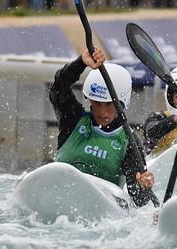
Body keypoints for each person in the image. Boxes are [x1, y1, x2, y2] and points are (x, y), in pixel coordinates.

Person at [49, 47, 155, 207]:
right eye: (97, 103)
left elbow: (138, 200)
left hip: (99, 212)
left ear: (122, 103)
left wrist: (143, 186)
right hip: (59, 200)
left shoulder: (129, 143)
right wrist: (80, 63)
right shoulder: (73, 120)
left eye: (109, 105)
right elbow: (59, 88)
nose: (102, 112)